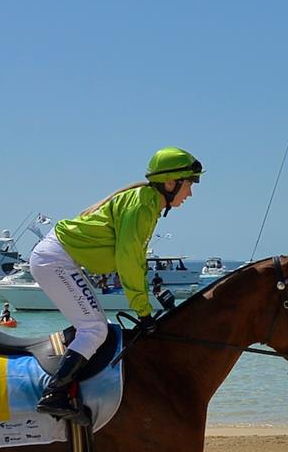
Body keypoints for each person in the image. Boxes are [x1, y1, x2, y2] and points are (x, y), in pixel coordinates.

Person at [30, 146, 201, 420]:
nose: (190, 194)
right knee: (95, 329)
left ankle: (73, 387)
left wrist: (151, 296)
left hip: (59, 258)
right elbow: (128, 261)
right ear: (170, 183)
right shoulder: (143, 205)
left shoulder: (148, 202)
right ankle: (55, 394)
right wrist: (143, 313)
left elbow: (137, 260)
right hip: (56, 260)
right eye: (189, 185)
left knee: (101, 327)